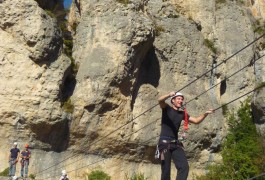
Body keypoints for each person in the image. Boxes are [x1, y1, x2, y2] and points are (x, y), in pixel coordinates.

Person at [157, 91, 214, 180]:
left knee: (184, 167)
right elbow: (160, 100)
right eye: (178, 99)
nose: (181, 101)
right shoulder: (167, 109)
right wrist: (169, 94)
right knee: (166, 170)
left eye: (182, 99)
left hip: (175, 144)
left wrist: (205, 114)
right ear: (173, 101)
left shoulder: (182, 114)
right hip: (164, 143)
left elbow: (196, 121)